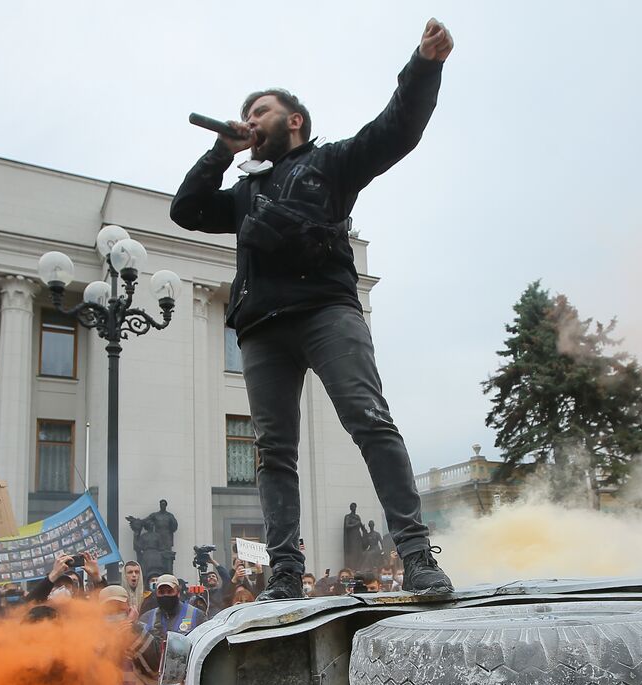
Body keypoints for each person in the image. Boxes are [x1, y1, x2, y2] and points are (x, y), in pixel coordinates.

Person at [170, 18, 456, 600]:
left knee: (368, 421)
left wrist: (424, 66)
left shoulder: (330, 164)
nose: (249, 121)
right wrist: (219, 153)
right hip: (261, 328)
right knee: (274, 453)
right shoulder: (244, 189)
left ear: (293, 120)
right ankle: (283, 574)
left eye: (260, 113)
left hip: (327, 310)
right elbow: (187, 210)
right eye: (244, 116)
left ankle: (417, 556)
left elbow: (397, 129)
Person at [140, 575, 205, 636]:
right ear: (156, 594)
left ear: (178, 593)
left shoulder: (197, 615)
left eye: (170, 591)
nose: (165, 595)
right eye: (161, 592)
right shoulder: (146, 618)